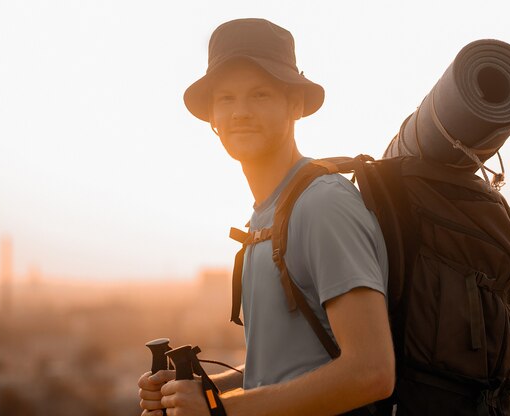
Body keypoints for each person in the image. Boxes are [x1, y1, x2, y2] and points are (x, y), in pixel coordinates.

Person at [138, 18, 395, 416]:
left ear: (295, 105)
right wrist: (200, 391)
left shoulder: (322, 205)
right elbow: (279, 371)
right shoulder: (266, 217)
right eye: (226, 98)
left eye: (260, 94)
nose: (240, 112)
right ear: (212, 118)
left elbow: (372, 371)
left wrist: (219, 412)